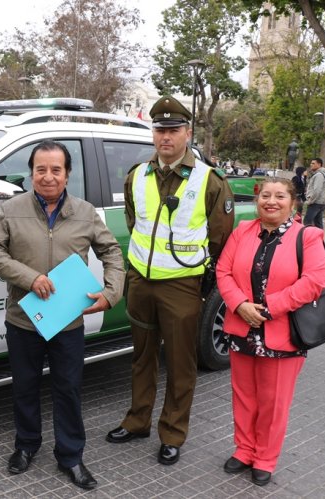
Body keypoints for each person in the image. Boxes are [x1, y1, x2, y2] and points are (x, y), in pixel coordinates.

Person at [0, 140, 125, 490]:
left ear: (67, 174)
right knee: (25, 389)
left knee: (68, 390)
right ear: (31, 173)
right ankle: (26, 446)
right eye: (40, 170)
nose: (48, 177)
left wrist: (111, 293)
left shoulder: (85, 212)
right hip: (23, 319)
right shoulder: (11, 210)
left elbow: (112, 253)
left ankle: (71, 457)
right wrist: (29, 278)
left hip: (67, 322)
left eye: (56, 170)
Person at [105, 95, 235, 466]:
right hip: (141, 282)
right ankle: (137, 421)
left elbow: (220, 237)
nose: (166, 137)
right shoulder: (137, 175)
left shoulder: (209, 181)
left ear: (187, 133)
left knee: (180, 363)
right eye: (160, 130)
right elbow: (136, 224)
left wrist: (196, 275)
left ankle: (172, 433)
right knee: (142, 358)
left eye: (173, 130)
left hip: (181, 285)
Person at [216, 176, 325, 486]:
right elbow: (223, 271)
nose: (271, 201)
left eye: (280, 196)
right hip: (242, 328)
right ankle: (244, 450)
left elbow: (314, 282)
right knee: (244, 396)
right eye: (265, 195)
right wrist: (240, 305)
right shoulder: (242, 231)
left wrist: (268, 307)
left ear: (292, 202)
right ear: (257, 200)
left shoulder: (308, 236)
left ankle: (265, 457)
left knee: (274, 401)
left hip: (283, 332)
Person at [303, 158, 325, 229]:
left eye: (313, 163)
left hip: (315, 203)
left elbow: (317, 190)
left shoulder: (319, 175)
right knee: (318, 224)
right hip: (319, 202)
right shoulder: (321, 174)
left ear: (319, 164)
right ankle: (320, 240)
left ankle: (307, 239)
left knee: (307, 222)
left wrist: (310, 201)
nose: (311, 165)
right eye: (311, 163)